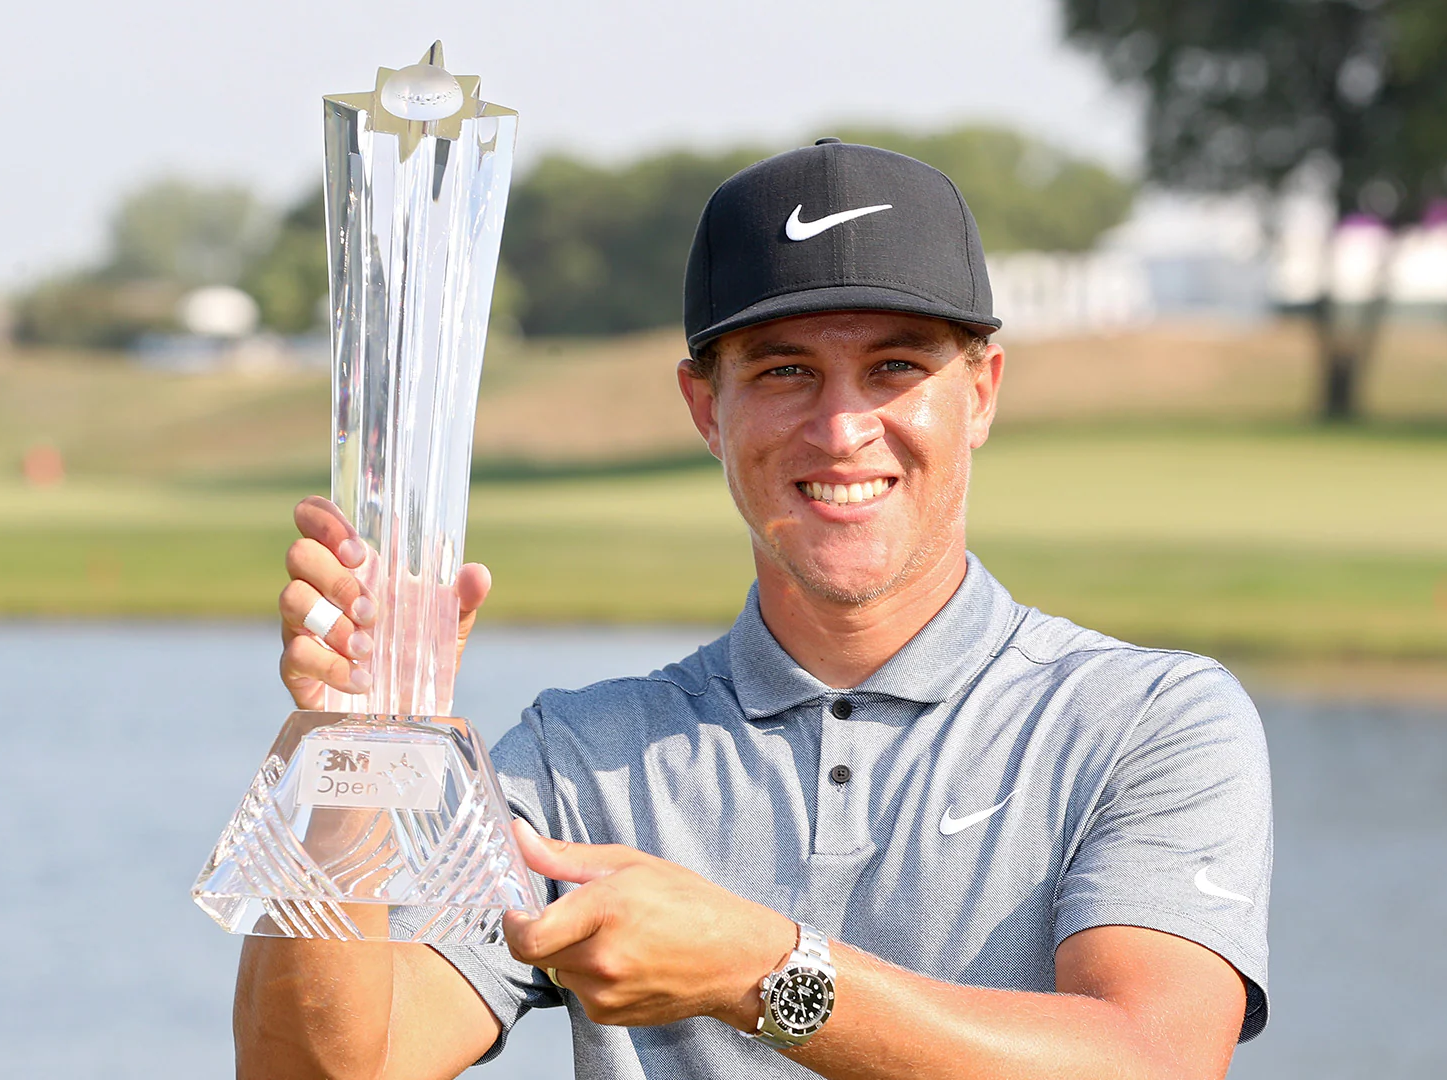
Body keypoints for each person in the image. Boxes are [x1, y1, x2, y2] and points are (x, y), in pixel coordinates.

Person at [240, 139, 1272, 1080]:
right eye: (784, 372)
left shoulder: (1147, 720)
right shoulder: (574, 759)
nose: (840, 427)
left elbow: (1154, 1062)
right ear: (705, 408)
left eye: (895, 367)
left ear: (982, 391)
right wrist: (345, 754)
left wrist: (761, 973)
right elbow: (326, 1073)